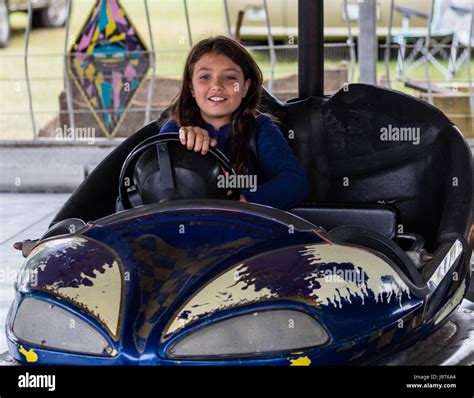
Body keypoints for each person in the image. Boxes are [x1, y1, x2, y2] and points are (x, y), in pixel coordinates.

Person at [159, 35, 307, 210]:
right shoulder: (176, 130)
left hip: (244, 228)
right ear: (191, 87)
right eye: (205, 77)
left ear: (245, 87)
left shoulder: (259, 130)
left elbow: (295, 182)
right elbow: (160, 182)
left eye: (230, 77)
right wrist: (181, 143)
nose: (217, 85)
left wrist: (244, 202)